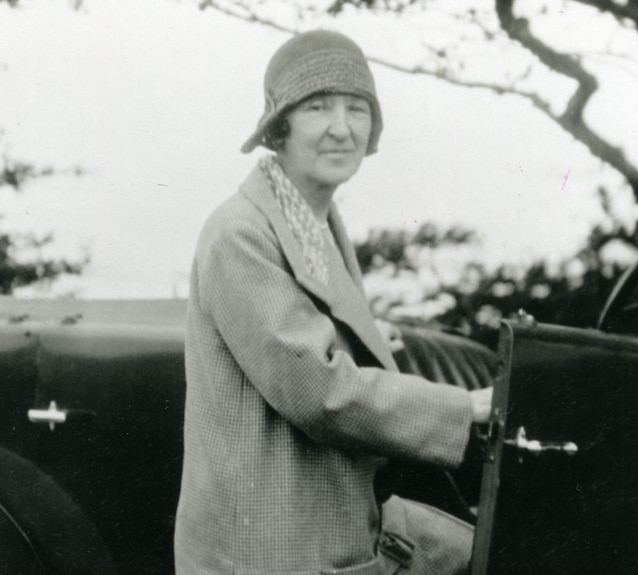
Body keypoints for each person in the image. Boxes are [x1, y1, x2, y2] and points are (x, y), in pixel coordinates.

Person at [175, 29, 493, 575]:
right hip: (268, 548)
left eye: (357, 108)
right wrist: (468, 409)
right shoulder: (241, 233)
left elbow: (308, 324)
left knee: (487, 551)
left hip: (322, 519)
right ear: (279, 127)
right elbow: (320, 391)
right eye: (318, 107)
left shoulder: (311, 218)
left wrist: (364, 335)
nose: (341, 128)